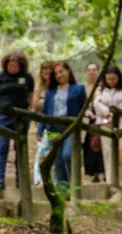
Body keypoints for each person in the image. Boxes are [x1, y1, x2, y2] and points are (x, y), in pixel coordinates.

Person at [35, 60, 86, 189]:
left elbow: (84, 107)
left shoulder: (78, 88)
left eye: (61, 71)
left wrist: (88, 114)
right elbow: (45, 111)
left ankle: (73, 183)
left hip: (70, 127)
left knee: (67, 155)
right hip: (53, 128)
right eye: (56, 73)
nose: (59, 75)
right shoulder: (50, 91)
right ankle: (63, 189)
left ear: (68, 71)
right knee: (57, 161)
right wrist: (40, 130)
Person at [0, 51, 34, 192]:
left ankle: (20, 178)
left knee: (19, 148)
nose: (13, 68)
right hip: (2, 116)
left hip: (21, 117)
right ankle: (0, 179)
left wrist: (30, 113)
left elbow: (31, 95)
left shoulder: (27, 77)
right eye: (10, 65)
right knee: (2, 147)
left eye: (15, 65)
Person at [92, 64, 122, 182]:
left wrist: (115, 112)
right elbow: (96, 103)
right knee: (108, 150)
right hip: (105, 123)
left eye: (113, 79)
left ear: (118, 77)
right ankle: (111, 179)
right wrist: (107, 113)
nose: (111, 81)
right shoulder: (100, 89)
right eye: (108, 79)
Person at [31, 60, 55, 187]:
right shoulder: (39, 86)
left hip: (56, 123)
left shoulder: (57, 87)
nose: (46, 75)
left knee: (53, 152)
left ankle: (53, 180)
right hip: (42, 124)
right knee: (41, 151)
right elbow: (35, 105)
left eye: (49, 73)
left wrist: (43, 101)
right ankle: (39, 179)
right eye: (44, 73)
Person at [82, 62, 106, 183]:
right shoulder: (82, 87)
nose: (92, 72)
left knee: (101, 145)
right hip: (87, 118)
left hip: (101, 117)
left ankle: (103, 171)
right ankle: (93, 173)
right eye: (89, 70)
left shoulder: (103, 87)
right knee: (89, 147)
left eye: (94, 69)